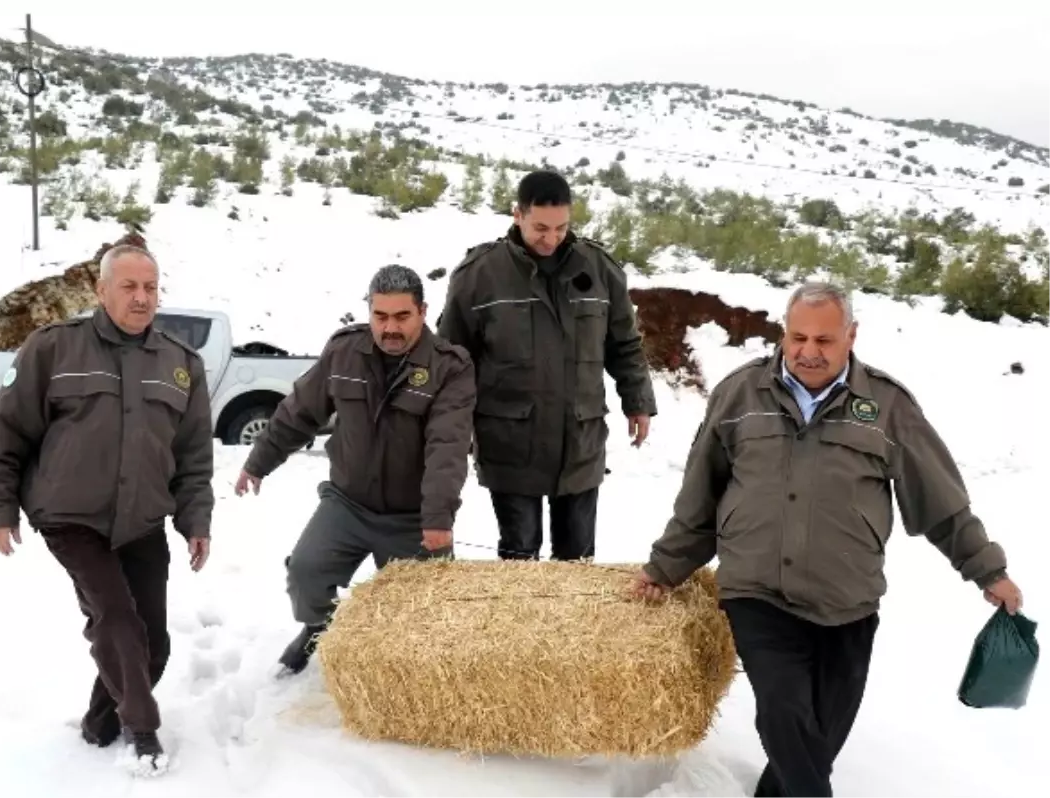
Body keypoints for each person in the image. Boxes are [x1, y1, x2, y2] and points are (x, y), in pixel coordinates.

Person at [632, 280, 1024, 798]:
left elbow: (942, 502)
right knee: (783, 713)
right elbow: (699, 495)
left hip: (848, 602)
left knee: (815, 741)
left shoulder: (886, 407)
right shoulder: (740, 394)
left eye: (823, 341)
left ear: (851, 337)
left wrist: (987, 570)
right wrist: (665, 567)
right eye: (797, 338)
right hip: (757, 591)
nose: (807, 352)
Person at [0, 243, 215, 771]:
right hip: (70, 515)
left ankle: (99, 724)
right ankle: (142, 732)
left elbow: (193, 456)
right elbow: (5, 432)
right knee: (116, 619)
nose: (141, 297)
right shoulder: (53, 349)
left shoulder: (180, 364)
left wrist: (195, 521)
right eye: (128, 286)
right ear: (101, 291)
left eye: (150, 287)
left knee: (154, 645)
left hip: (143, 519)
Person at [235, 264, 476, 676]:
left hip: (412, 516)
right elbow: (299, 411)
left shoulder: (449, 368)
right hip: (347, 504)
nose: (390, 328)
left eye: (402, 316)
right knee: (305, 577)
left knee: (426, 620)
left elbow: (447, 447)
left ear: (422, 312)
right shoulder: (344, 352)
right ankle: (319, 626)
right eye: (380, 316)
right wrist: (259, 461)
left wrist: (437, 519)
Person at [436, 169, 656, 562]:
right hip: (510, 440)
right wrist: (450, 423)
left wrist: (637, 400)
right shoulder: (480, 275)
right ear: (517, 214)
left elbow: (624, 343)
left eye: (561, 227)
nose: (551, 238)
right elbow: (453, 359)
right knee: (520, 556)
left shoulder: (600, 268)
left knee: (577, 558)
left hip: (580, 440)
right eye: (540, 227)